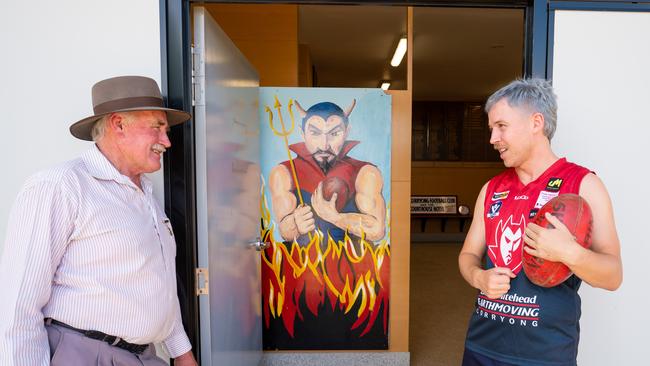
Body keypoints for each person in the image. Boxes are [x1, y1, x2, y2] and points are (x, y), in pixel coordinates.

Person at [0, 76, 198, 366]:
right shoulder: (60, 186)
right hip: (83, 355)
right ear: (118, 124)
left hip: (145, 357)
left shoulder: (147, 197)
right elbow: (18, 305)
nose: (166, 141)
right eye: (157, 128)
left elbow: (160, 285)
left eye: (166, 131)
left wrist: (182, 353)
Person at [458, 78, 622, 366]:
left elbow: (613, 275)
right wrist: (478, 277)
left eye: (501, 126)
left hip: (545, 355)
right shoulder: (491, 189)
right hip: (481, 346)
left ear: (536, 122)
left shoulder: (583, 184)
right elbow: (468, 254)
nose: (492, 138)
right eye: (491, 129)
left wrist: (570, 253)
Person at [268, 99, 386, 250]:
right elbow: (284, 231)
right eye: (315, 133)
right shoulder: (283, 173)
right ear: (302, 133)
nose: (324, 145)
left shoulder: (366, 173)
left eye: (334, 133)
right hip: (303, 267)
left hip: (354, 265)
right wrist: (295, 224)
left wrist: (336, 218)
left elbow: (377, 230)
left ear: (346, 133)